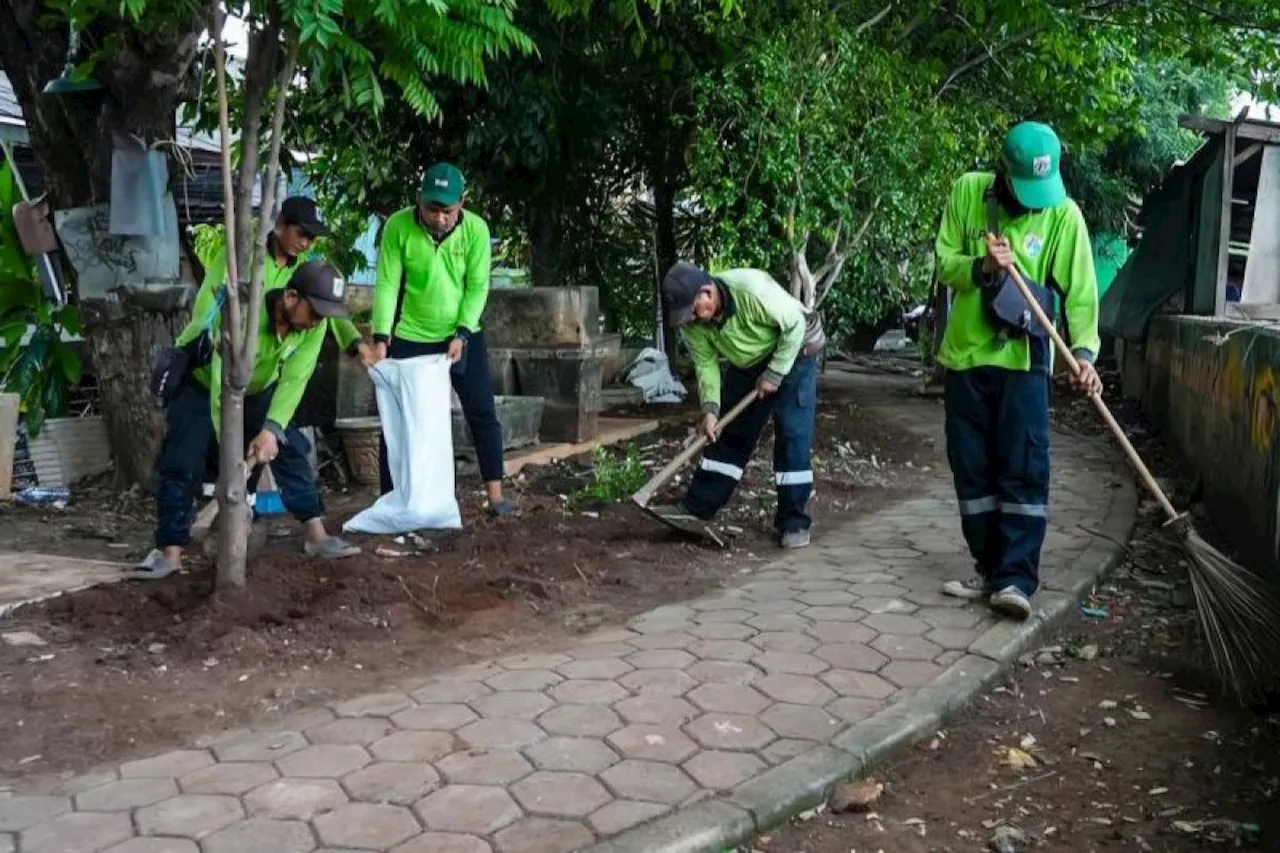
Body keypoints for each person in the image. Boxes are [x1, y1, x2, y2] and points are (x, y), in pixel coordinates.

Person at [934, 120, 1103, 620]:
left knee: (1024, 467)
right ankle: (989, 568)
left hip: (1025, 361)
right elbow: (943, 262)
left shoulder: (1063, 214)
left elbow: (1081, 292)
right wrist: (982, 268)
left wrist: (1085, 354)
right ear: (1004, 172)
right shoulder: (968, 192)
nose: (1035, 202)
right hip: (966, 356)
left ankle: (1016, 578)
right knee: (972, 467)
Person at [137, 261, 362, 577]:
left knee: (291, 449)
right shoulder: (241, 318)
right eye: (314, 311)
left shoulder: (314, 326)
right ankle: (169, 553)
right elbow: (220, 389)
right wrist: (229, 455)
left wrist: (271, 429)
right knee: (183, 459)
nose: (317, 321)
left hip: (260, 387)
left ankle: (317, 536)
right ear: (290, 297)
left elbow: (295, 379)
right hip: (202, 385)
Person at [367, 162, 515, 516]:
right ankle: (392, 498)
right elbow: (388, 283)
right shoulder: (398, 227)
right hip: (411, 335)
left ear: (461, 203)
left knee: (481, 412)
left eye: (446, 210)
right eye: (431, 208)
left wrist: (463, 331)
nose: (439, 217)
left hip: (461, 336)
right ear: (419, 200)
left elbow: (478, 286)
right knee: (399, 418)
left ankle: (495, 495)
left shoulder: (477, 230)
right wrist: (381, 337)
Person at [650, 262, 822, 548]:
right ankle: (698, 508)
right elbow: (706, 366)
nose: (692, 319)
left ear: (707, 292)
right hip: (748, 363)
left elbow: (794, 325)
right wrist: (710, 410)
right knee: (728, 434)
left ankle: (794, 521)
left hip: (795, 350)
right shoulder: (692, 325)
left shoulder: (751, 289)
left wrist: (776, 372)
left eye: (694, 310)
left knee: (793, 435)